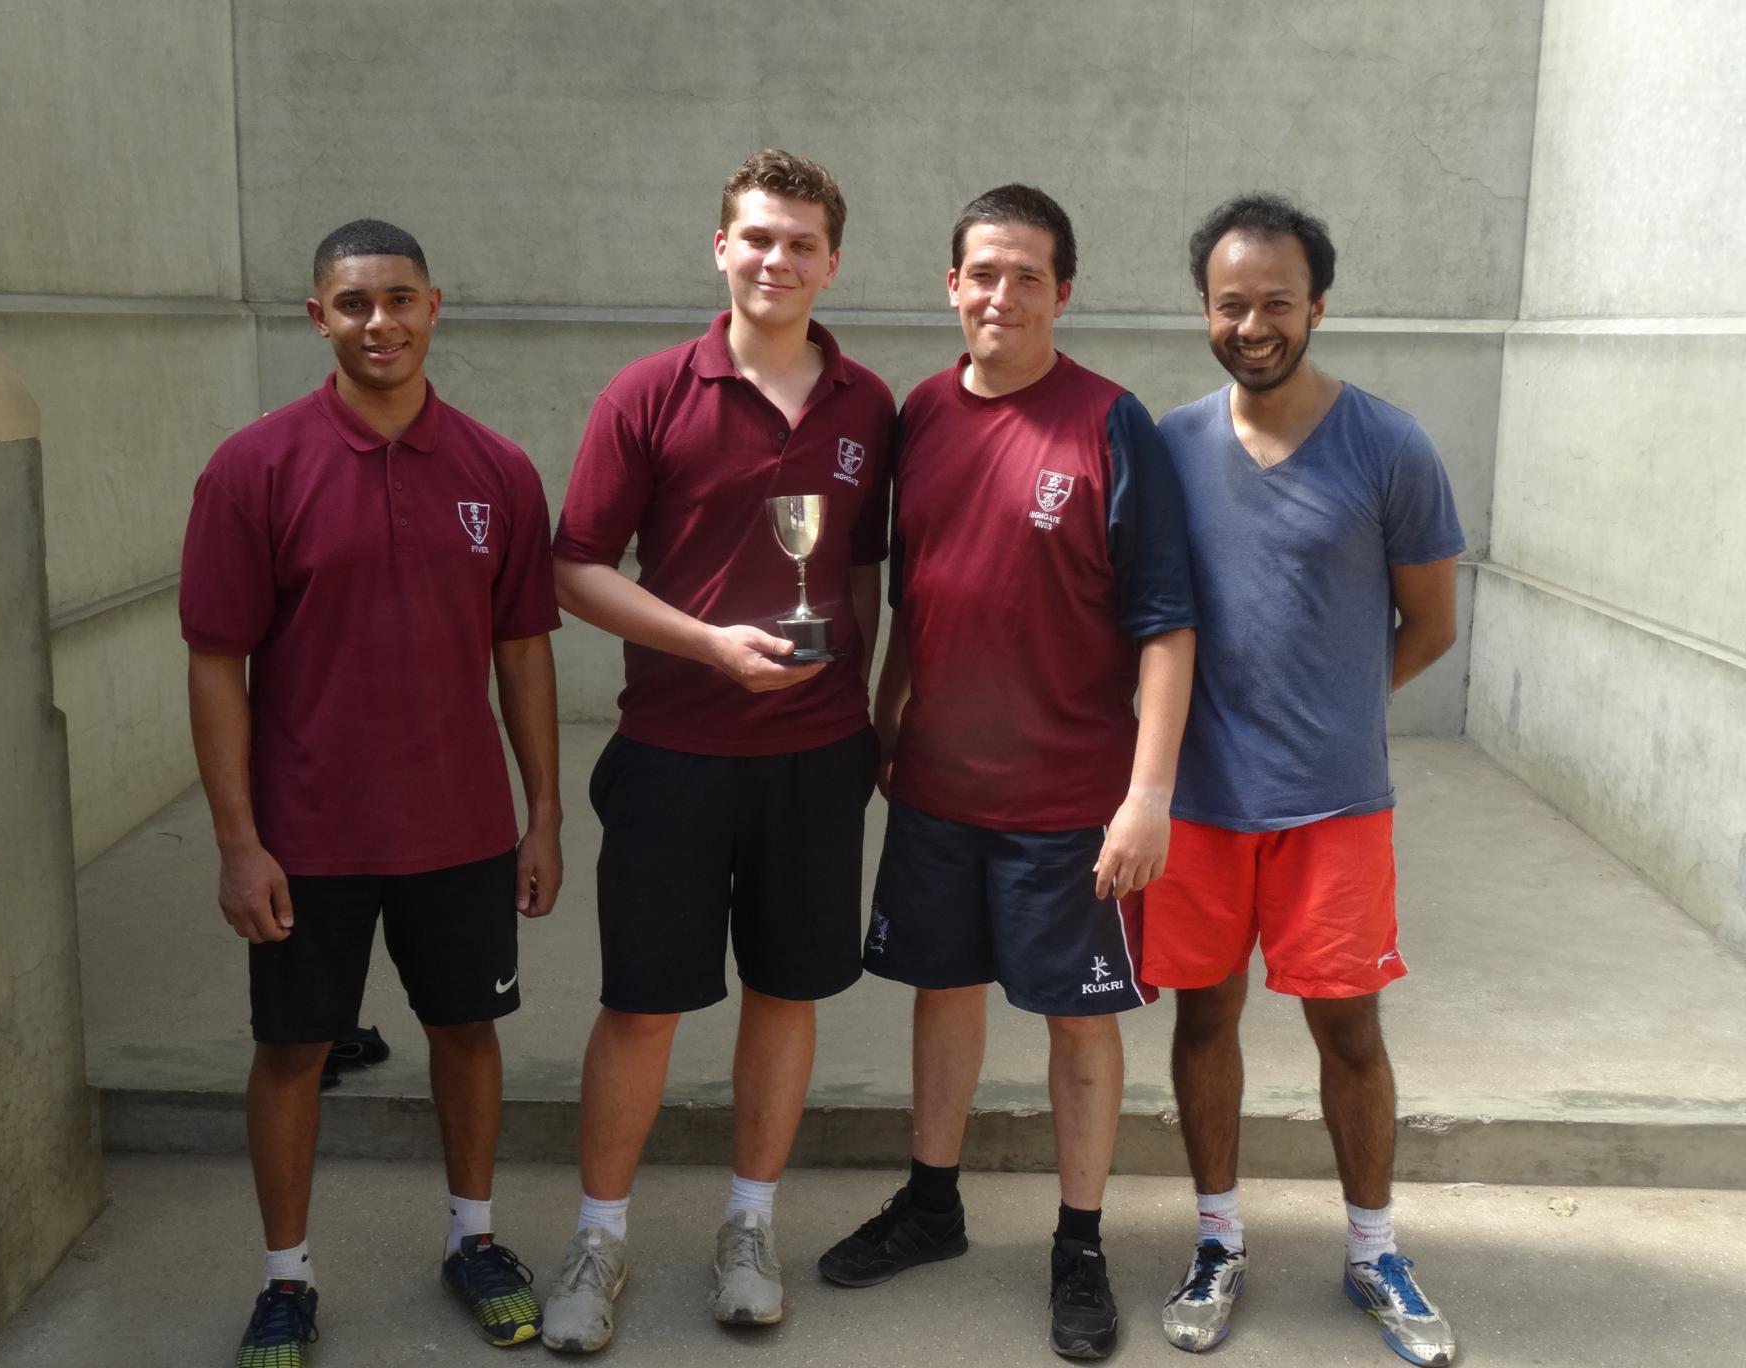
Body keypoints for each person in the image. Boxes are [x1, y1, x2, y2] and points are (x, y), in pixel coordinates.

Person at [817, 185, 1198, 1361]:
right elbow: (917, 591)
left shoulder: (1110, 423)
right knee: (943, 994)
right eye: (983, 271)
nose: (1002, 293)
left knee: (1079, 1028)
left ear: (1063, 292)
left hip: (1072, 808)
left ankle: (1078, 1241)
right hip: (937, 788)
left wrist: (1146, 794)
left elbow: (1168, 626)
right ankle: (932, 1203)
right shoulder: (920, 416)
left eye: (1027, 274)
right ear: (951, 286)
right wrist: (886, 718)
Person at [180, 219, 563, 1364]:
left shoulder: (498, 471)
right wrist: (238, 840)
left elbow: (525, 651)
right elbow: (216, 663)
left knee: (467, 1030)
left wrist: (540, 813)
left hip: (460, 827)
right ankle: (287, 1280)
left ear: (435, 306)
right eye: (354, 304)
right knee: (294, 1049)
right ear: (319, 318)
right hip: (308, 834)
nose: (380, 322)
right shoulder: (253, 468)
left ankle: (475, 1239)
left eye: (399, 299)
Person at [542, 149, 894, 1351]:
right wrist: (705, 644)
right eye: (756, 237)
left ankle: (750, 1223)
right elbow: (575, 568)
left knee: (786, 991)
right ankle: (599, 1237)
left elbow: (856, 569)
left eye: (801, 243)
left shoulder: (870, 405)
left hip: (816, 756)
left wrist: (855, 698)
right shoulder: (646, 393)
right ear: (721, 248)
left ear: (832, 262)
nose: (776, 260)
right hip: (674, 751)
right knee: (644, 1003)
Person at [1145, 193, 1463, 1366]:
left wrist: (1337, 706)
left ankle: (1375, 1250)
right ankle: (1219, 1239)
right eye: (1233, 304)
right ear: (1207, 314)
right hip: (1200, 805)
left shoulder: (1390, 444)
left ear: (1317, 306)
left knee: (1349, 1033)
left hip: (1336, 806)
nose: (1255, 322)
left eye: (1278, 301)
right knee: (1206, 1013)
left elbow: (1429, 624)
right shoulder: (1168, 446)